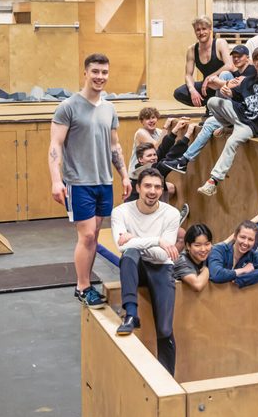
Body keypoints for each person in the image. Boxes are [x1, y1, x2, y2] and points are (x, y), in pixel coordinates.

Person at [49, 53, 131, 310]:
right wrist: (55, 180)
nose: (100, 77)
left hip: (103, 181)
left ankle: (85, 284)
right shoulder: (68, 107)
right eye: (95, 71)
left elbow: (114, 146)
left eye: (104, 72)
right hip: (78, 182)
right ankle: (83, 286)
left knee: (94, 235)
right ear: (85, 73)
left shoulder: (109, 108)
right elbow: (55, 146)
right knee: (86, 236)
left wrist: (125, 175)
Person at [168, 46, 258, 196]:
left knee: (231, 142)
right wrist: (228, 92)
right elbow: (240, 98)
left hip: (254, 126)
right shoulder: (249, 80)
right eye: (257, 59)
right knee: (213, 102)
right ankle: (226, 125)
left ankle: (213, 181)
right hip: (241, 114)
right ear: (253, 61)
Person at [110, 168, 180, 373]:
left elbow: (163, 256)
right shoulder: (121, 212)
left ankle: (166, 376)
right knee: (130, 254)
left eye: (158, 187)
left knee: (165, 330)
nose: (153, 191)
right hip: (136, 266)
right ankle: (131, 314)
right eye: (148, 186)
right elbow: (122, 247)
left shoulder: (171, 214)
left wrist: (137, 240)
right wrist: (157, 240)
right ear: (138, 188)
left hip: (161, 269)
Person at [174, 17, 232, 108]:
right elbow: (188, 75)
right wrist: (192, 90)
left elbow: (229, 66)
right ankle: (209, 105)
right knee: (179, 92)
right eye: (198, 30)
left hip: (222, 83)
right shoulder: (192, 49)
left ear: (210, 29)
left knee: (224, 74)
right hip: (206, 87)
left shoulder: (220, 43)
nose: (201, 33)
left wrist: (210, 77)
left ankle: (219, 107)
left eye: (204, 29)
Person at [208, 220, 258, 288]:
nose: (246, 243)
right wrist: (243, 270)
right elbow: (216, 275)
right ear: (235, 236)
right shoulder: (218, 250)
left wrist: (242, 280)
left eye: (250, 239)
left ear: (254, 241)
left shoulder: (253, 255)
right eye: (243, 237)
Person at [173, 223, 213, 292]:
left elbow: (222, 245)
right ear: (188, 246)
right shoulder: (181, 261)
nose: (203, 249)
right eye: (197, 245)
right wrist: (206, 270)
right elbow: (197, 285)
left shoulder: (210, 252)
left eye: (207, 244)